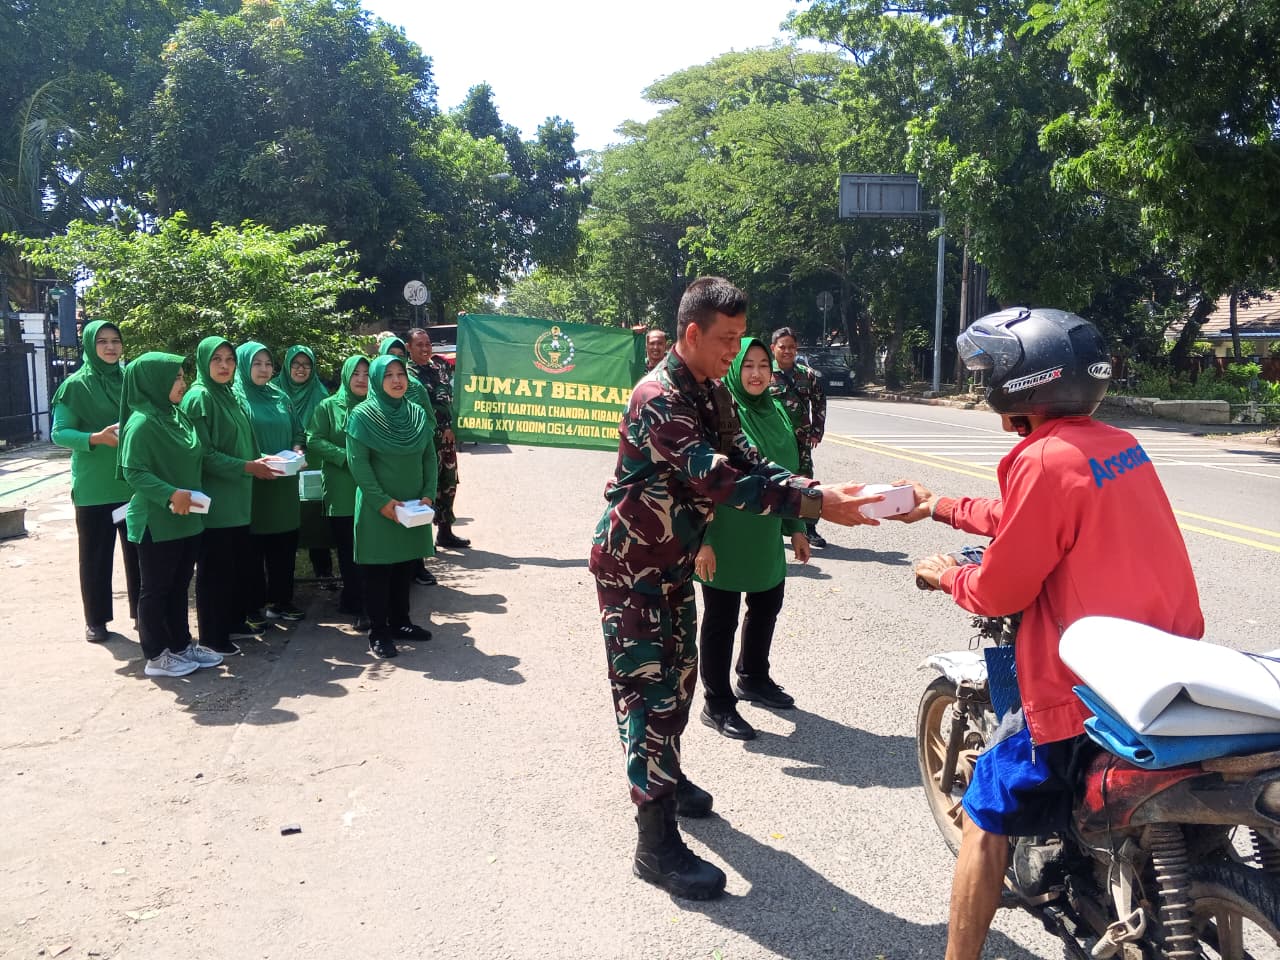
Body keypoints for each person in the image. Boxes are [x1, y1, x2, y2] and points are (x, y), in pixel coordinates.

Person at [893, 307, 1204, 960]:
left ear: (1020, 382)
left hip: (1084, 690)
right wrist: (940, 506)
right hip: (1165, 668)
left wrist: (949, 576)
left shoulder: (1038, 458)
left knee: (984, 815)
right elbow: (1027, 517)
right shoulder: (1117, 446)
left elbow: (1001, 590)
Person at [589, 276, 884, 901]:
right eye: (726, 339)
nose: (735, 351)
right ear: (692, 334)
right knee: (648, 696)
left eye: (740, 338)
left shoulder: (710, 391)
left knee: (681, 679)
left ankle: (667, 779)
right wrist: (815, 505)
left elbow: (747, 457)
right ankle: (654, 845)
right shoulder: (658, 398)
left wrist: (812, 492)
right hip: (633, 570)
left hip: (672, 564)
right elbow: (719, 478)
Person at [694, 337, 809, 742]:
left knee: (767, 604)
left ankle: (753, 676)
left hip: (764, 530)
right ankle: (717, 702)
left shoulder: (776, 410)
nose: (757, 373)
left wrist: (796, 528)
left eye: (763, 365)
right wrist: (703, 539)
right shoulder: (723, 412)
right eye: (748, 365)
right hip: (724, 531)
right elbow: (701, 480)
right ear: (734, 369)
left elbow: (788, 472)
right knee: (721, 619)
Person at [117, 352, 224, 678]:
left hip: (188, 516)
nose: (183, 383)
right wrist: (169, 494)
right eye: (175, 377)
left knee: (179, 586)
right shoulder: (142, 423)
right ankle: (156, 655)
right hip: (157, 520)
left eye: (181, 376)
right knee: (156, 589)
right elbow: (133, 471)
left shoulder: (176, 415)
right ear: (154, 382)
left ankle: (180, 644)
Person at [181, 337, 281, 654]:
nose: (224, 366)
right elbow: (204, 454)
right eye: (217, 360)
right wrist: (248, 467)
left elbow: (241, 443)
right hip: (216, 500)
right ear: (204, 362)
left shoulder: (227, 393)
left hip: (238, 497)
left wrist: (262, 459)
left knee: (235, 567)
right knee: (215, 572)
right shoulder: (199, 397)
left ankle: (233, 622)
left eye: (229, 359)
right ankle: (213, 637)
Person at [50, 320, 140, 642]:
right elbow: (59, 433)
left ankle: (143, 613)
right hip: (94, 488)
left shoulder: (131, 380)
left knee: (139, 555)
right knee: (95, 558)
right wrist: (95, 438)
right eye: (102, 341)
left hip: (133, 484)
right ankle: (96, 620)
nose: (110, 347)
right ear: (90, 345)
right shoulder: (75, 386)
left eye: (115, 340)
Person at [346, 354, 438, 659]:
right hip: (379, 507)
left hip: (413, 505)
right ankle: (379, 631)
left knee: (404, 565)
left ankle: (401, 622)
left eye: (401, 374)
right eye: (388, 375)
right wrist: (381, 501)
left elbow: (429, 456)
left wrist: (428, 494)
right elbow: (359, 465)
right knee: (378, 570)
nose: (397, 380)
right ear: (377, 381)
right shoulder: (362, 416)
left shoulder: (416, 414)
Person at [234, 342, 305, 624]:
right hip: (254, 483)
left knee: (284, 545)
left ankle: (282, 600)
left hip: (284, 484)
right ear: (244, 366)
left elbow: (298, 430)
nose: (264, 369)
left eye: (268, 364)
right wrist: (259, 460)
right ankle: (252, 606)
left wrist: (297, 450)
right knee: (252, 549)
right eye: (257, 364)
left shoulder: (280, 396)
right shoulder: (236, 397)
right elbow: (235, 441)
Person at [306, 355, 369, 629]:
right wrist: (345, 457)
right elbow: (313, 439)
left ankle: (367, 600)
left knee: (370, 548)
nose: (361, 379)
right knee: (348, 550)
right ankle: (356, 602)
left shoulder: (377, 405)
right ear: (346, 376)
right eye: (356, 373)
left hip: (372, 488)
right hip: (342, 488)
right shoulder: (328, 406)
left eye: (367, 374)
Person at [407, 328, 470, 550]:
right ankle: (423, 538)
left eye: (428, 344)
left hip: (447, 440)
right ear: (409, 348)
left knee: (448, 484)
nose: (425, 348)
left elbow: (459, 383)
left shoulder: (439, 367)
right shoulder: (406, 374)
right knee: (427, 487)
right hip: (426, 441)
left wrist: (467, 328)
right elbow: (417, 407)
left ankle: (445, 533)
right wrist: (441, 427)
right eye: (419, 345)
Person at [275, 345, 334, 584]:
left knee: (315, 517)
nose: (301, 369)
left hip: (314, 462)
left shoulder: (319, 393)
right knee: (284, 517)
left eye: (306, 364)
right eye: (296, 364)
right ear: (287, 366)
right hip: (283, 462)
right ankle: (281, 576)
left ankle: (323, 570)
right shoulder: (274, 392)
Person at [769, 327, 828, 547]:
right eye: (782, 347)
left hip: (801, 440)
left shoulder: (807, 374)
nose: (787, 351)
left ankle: (809, 529)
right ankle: (774, 528)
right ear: (773, 348)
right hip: (774, 440)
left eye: (791, 347)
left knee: (806, 483)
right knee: (774, 481)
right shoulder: (763, 373)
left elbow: (820, 401)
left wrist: (817, 431)